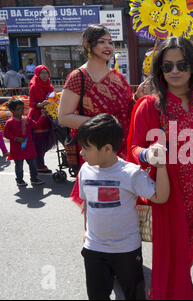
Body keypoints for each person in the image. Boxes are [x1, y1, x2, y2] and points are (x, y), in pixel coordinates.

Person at [126, 36, 193, 300]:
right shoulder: (150, 105)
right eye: (168, 67)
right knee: (171, 256)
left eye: (181, 65)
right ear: (160, 70)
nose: (175, 71)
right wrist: (149, 153)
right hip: (168, 192)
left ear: (192, 67)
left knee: (188, 251)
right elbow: (133, 150)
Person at [77, 113, 169, 300]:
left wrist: (161, 167)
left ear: (108, 148)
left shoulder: (131, 173)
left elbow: (160, 197)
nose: (81, 152)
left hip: (126, 250)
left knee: (133, 295)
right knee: (96, 296)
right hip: (94, 249)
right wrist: (86, 229)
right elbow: (87, 202)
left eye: (86, 148)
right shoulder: (85, 170)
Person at [58, 24, 134, 206]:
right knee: (101, 206)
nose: (108, 46)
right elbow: (64, 117)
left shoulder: (117, 76)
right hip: (96, 151)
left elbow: (129, 108)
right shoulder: (78, 77)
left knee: (125, 205)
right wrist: (104, 124)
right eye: (102, 42)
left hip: (122, 149)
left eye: (110, 42)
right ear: (87, 44)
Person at [3, 99, 45, 186]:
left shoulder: (27, 119)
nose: (21, 110)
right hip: (17, 148)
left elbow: (36, 125)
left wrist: (43, 116)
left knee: (33, 164)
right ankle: (19, 180)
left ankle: (34, 179)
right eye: (19, 109)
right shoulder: (9, 122)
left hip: (28, 147)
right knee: (19, 166)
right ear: (12, 111)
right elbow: (6, 134)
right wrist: (15, 138)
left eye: (22, 108)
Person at [28, 65, 55, 174]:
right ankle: (39, 165)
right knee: (39, 143)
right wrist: (40, 105)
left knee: (46, 141)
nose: (44, 75)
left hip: (48, 116)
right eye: (42, 73)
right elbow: (31, 103)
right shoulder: (34, 86)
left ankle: (38, 163)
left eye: (46, 73)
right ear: (37, 74)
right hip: (37, 117)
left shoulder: (50, 86)